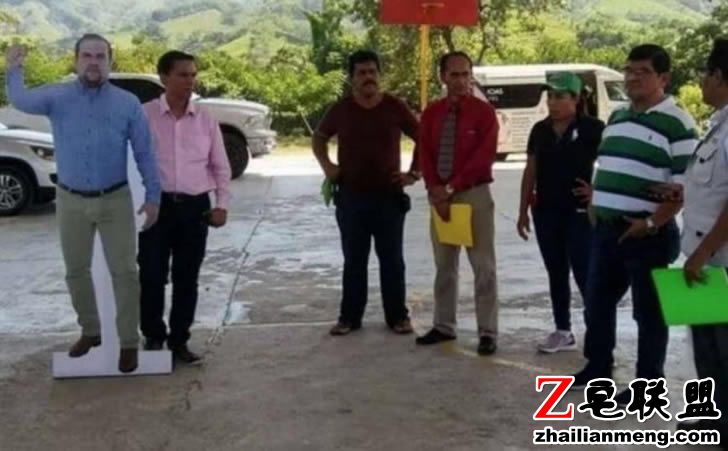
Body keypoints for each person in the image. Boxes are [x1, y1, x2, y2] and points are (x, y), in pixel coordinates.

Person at [4, 34, 161, 373]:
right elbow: (20, 99)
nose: (93, 62)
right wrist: (13, 69)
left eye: (100, 56)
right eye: (87, 56)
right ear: (76, 61)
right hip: (70, 200)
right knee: (75, 270)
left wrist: (153, 197)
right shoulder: (57, 97)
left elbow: (145, 152)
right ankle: (90, 331)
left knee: (125, 272)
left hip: (115, 199)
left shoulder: (127, 103)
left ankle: (128, 342)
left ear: (110, 62)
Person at [571, 44, 699, 403]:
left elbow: (685, 186)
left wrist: (653, 222)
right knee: (597, 301)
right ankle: (598, 367)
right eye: (628, 70)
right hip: (606, 230)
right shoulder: (618, 117)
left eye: (643, 72)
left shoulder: (678, 123)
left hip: (648, 235)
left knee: (648, 313)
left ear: (664, 78)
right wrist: (598, 200)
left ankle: (648, 385)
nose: (632, 78)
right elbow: (609, 165)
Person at [653, 39, 728, 448]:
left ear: (718, 76)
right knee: (706, 349)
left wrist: (702, 253)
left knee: (723, 349)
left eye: (705, 73)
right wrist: (679, 191)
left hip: (718, 261)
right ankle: (714, 419)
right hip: (704, 258)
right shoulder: (718, 125)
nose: (700, 80)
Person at [313, 50, 420, 336]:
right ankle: (349, 318)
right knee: (354, 261)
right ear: (352, 78)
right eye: (361, 73)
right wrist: (328, 167)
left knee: (392, 261)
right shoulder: (341, 109)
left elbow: (422, 137)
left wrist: (413, 174)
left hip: (389, 198)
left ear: (379, 75)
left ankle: (397, 317)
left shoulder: (395, 106)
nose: (368, 77)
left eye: (372, 71)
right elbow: (319, 138)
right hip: (351, 198)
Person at [139, 51, 231, 364]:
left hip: (195, 209)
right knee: (151, 274)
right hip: (156, 207)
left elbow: (220, 166)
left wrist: (221, 205)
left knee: (187, 277)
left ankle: (179, 340)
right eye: (182, 75)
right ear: (164, 77)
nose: (190, 81)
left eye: (193, 75)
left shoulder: (205, 119)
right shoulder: (144, 116)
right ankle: (153, 336)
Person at [415, 51, 500, 356]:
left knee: (483, 266)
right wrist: (435, 190)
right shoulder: (432, 113)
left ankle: (487, 332)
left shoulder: (484, 113)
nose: (461, 81)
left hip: (473, 195)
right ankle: (444, 325)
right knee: (444, 265)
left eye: (466, 74)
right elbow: (425, 153)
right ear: (443, 77)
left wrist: (450, 188)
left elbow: (483, 158)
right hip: (440, 196)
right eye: (454, 74)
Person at [517, 72, 605, 353]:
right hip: (546, 212)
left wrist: (597, 191)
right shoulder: (540, 130)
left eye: (559, 96)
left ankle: (598, 333)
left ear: (576, 99)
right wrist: (523, 210)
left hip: (579, 213)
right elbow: (530, 170)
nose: (552, 103)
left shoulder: (593, 128)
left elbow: (613, 163)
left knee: (585, 273)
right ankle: (563, 330)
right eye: (550, 97)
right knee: (556, 272)